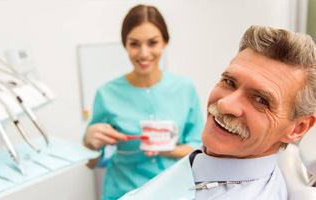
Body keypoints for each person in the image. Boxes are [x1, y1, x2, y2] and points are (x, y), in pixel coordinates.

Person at [119, 25, 316, 200]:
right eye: (229, 82)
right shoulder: (210, 164)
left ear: (298, 128)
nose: (224, 105)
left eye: (261, 100)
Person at [83, 4, 204, 200]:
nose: (144, 53)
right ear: (125, 45)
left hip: (174, 192)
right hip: (123, 192)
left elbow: (200, 150)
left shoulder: (184, 88)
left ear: (165, 41)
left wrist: (169, 149)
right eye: (134, 44)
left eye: (152, 42)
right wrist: (89, 142)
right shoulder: (107, 94)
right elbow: (91, 163)